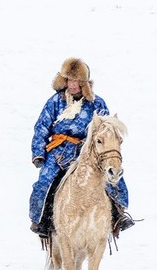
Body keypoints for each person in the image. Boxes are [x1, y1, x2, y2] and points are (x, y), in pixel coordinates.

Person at [29, 57, 133, 237]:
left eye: (76, 81)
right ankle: (41, 220)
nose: (72, 85)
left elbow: (105, 129)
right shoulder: (54, 102)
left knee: (113, 178)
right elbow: (41, 127)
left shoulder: (97, 103)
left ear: (83, 83)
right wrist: (38, 153)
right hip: (58, 153)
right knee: (43, 183)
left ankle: (118, 214)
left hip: (87, 152)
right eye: (69, 80)